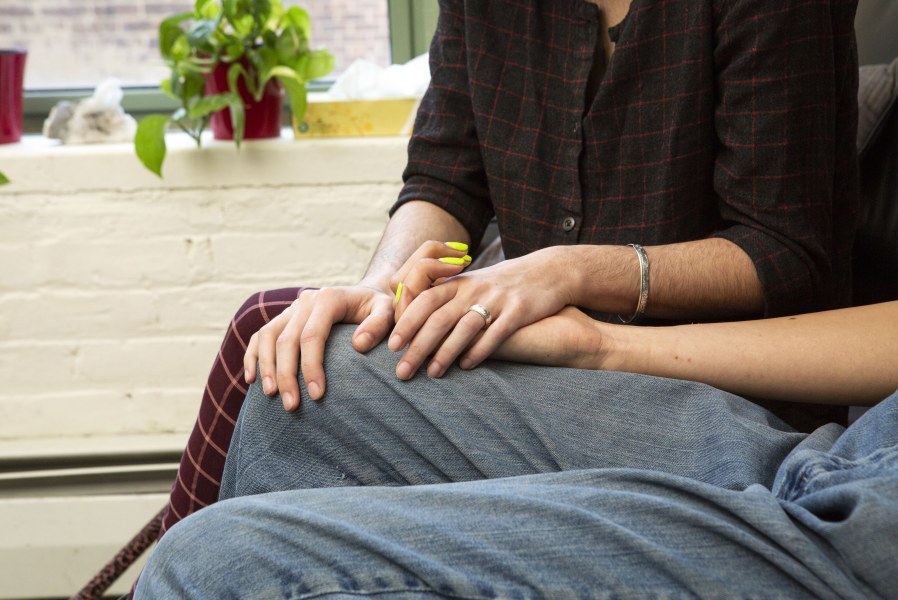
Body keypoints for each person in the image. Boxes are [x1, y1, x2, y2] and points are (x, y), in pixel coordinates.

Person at [156, 0, 859, 546]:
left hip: (717, 395)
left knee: (312, 382)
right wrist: (378, 290)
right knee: (288, 329)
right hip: (549, 360)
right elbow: (443, 176)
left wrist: (573, 272)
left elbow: (782, 249)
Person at [133, 299, 898, 598]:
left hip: (862, 531)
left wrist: (595, 286)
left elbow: (785, 249)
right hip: (859, 447)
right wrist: (591, 344)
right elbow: (440, 171)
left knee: (214, 564)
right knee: (307, 381)